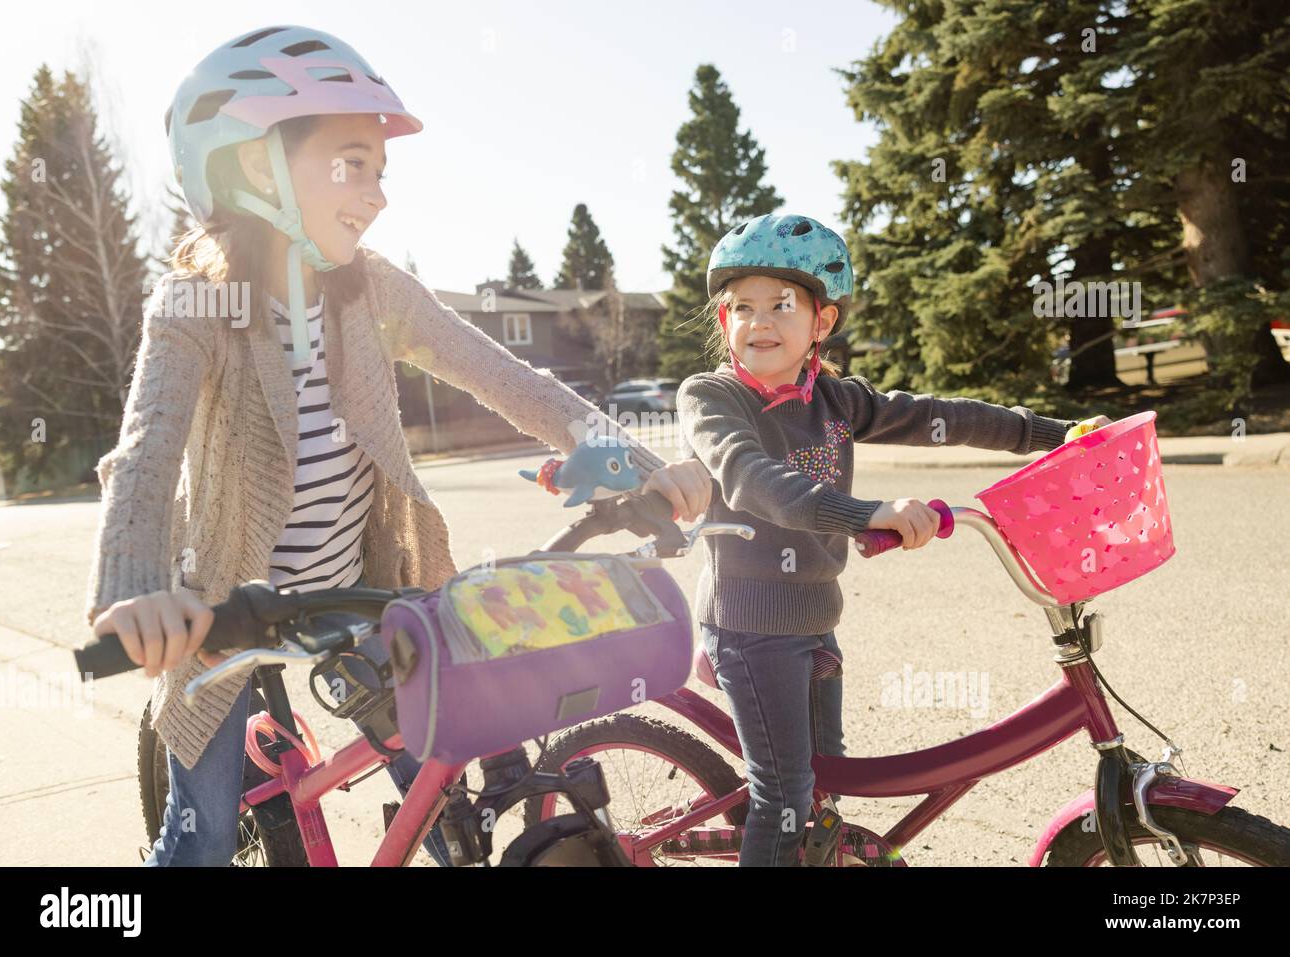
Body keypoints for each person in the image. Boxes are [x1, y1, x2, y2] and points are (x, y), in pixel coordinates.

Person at [85, 25, 710, 866]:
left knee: (456, 801)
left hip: (364, 597)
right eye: (350, 164)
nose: (375, 193)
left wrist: (639, 464)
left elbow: (507, 378)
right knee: (197, 841)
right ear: (252, 166)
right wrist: (129, 593)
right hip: (227, 620)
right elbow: (146, 454)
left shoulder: (372, 289)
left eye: (379, 171)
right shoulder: (194, 306)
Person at [676, 212, 1107, 866]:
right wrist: (867, 513)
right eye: (742, 306)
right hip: (749, 625)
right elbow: (751, 479)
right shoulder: (711, 396)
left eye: (781, 304)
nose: (759, 321)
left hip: (815, 616)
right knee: (786, 793)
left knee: (827, 777)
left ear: (821, 322)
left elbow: (940, 415)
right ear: (723, 321)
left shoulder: (836, 400)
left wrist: (1058, 433)